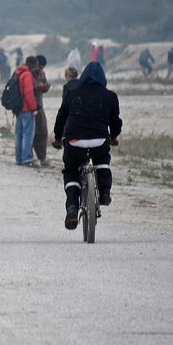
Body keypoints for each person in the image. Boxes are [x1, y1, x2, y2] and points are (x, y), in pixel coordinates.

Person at [52, 61, 122, 230]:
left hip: (74, 141)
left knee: (71, 171)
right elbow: (115, 122)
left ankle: (72, 208)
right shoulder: (110, 96)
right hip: (99, 140)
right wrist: (113, 137)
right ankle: (104, 194)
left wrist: (57, 137)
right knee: (102, 159)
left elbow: (61, 117)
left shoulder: (72, 93)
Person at [13, 56, 39, 166]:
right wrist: (34, 108)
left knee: (18, 134)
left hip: (18, 108)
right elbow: (28, 93)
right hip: (26, 108)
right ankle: (26, 158)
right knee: (28, 134)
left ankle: (19, 158)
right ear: (33, 65)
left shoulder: (18, 72)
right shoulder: (27, 74)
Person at [32, 55, 52, 167]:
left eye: (43, 67)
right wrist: (37, 86)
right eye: (39, 67)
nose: (41, 69)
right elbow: (27, 89)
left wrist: (45, 87)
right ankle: (28, 157)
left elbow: (43, 87)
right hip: (29, 108)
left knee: (43, 132)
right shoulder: (28, 74)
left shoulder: (42, 74)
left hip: (39, 106)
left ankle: (42, 158)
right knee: (31, 134)